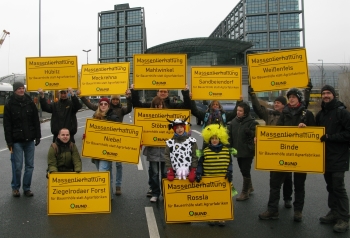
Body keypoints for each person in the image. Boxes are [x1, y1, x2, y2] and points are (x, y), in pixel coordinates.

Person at [259, 88, 315, 222]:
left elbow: (315, 133)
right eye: (290, 97)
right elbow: (278, 132)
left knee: (299, 185)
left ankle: (298, 211)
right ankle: (273, 210)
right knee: (275, 182)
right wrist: (262, 139)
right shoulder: (284, 113)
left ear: (299, 99)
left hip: (301, 154)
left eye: (294, 97)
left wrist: (306, 128)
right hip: (284, 153)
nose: (291, 99)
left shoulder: (307, 114)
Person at [128, 85, 191, 197]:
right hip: (153, 145)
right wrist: (133, 91)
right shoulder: (150, 105)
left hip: (168, 146)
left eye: (165, 91)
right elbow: (137, 105)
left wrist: (186, 92)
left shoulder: (172, 105)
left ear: (168, 93)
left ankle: (166, 190)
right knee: (154, 171)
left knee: (167, 170)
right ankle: (153, 188)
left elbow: (186, 107)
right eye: (160, 91)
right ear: (157, 92)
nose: (163, 93)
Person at [78, 92, 132, 196]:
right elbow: (90, 106)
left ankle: (117, 185)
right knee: (106, 169)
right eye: (114, 99)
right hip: (100, 146)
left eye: (117, 100)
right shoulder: (97, 114)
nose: (115, 101)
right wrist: (87, 137)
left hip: (115, 142)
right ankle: (109, 192)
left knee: (116, 165)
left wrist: (129, 97)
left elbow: (129, 109)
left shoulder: (120, 110)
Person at [315, 85, 350, 233]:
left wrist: (330, 137)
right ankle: (334, 211)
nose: (325, 95)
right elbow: (315, 133)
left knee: (338, 187)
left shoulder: (343, 113)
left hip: (339, 157)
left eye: (328, 93)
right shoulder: (321, 114)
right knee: (330, 186)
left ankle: (344, 218)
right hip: (325, 157)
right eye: (323, 93)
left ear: (334, 95)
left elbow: (348, 134)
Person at [3, 82, 41, 197]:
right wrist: (9, 141)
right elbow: (7, 125)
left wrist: (38, 136)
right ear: (15, 90)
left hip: (29, 140)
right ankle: (15, 187)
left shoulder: (30, 102)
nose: (21, 90)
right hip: (16, 141)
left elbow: (36, 120)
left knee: (30, 166)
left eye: (22, 88)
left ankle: (27, 188)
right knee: (17, 166)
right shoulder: (9, 104)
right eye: (19, 89)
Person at [195, 124, 237, 226]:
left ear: (220, 139)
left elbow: (229, 163)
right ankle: (211, 216)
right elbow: (200, 163)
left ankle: (222, 217)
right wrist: (199, 173)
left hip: (223, 179)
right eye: (212, 138)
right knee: (211, 200)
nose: (214, 140)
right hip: (210, 179)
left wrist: (229, 172)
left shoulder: (226, 151)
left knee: (222, 200)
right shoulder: (205, 151)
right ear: (209, 140)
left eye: (216, 138)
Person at [85, 97, 120, 199]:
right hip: (96, 151)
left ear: (108, 106)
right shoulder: (95, 117)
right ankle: (109, 194)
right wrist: (87, 137)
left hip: (107, 151)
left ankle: (104, 197)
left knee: (102, 172)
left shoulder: (113, 117)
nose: (103, 105)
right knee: (106, 173)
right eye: (101, 104)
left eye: (105, 104)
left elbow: (118, 133)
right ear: (99, 106)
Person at [228, 101, 259, 201]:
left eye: (240, 111)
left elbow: (258, 134)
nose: (238, 112)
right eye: (237, 110)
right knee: (242, 169)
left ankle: (245, 192)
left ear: (245, 112)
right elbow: (230, 136)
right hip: (238, 151)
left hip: (247, 151)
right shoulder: (233, 122)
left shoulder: (252, 122)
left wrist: (251, 132)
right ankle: (250, 187)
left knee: (245, 170)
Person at [142, 96, 168, 202]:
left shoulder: (168, 117)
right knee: (155, 173)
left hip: (166, 151)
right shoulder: (147, 118)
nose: (159, 107)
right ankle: (156, 193)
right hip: (153, 150)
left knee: (165, 173)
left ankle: (167, 193)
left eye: (160, 105)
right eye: (157, 105)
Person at [165, 117, 198, 182]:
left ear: (184, 128)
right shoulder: (170, 142)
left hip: (189, 170)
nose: (179, 129)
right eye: (177, 128)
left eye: (181, 127)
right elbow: (167, 156)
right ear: (174, 130)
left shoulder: (192, 141)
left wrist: (193, 169)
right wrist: (170, 170)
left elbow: (197, 154)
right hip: (175, 173)